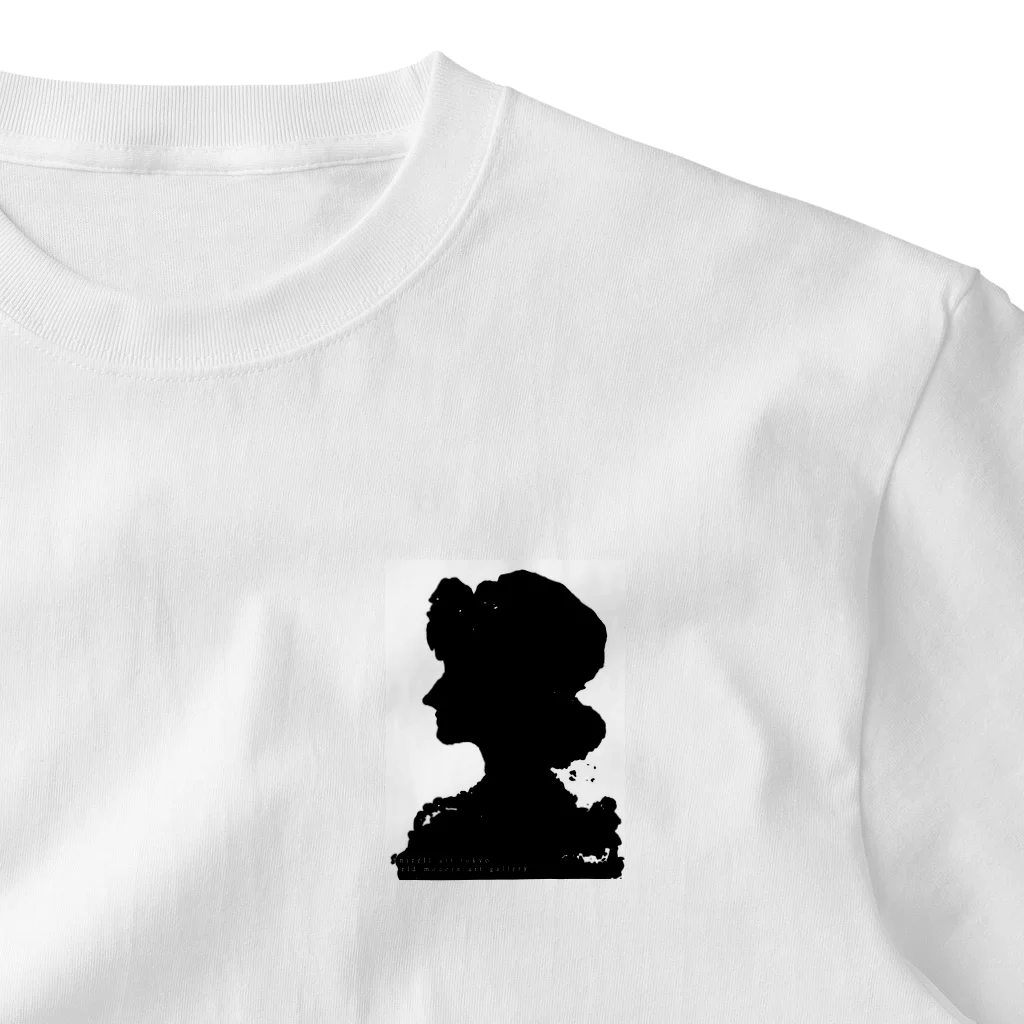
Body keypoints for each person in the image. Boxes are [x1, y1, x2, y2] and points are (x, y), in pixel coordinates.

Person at [390, 569, 623, 879]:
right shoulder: (570, 831)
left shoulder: (457, 836)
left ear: (506, 689)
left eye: (455, 673)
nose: (430, 697)